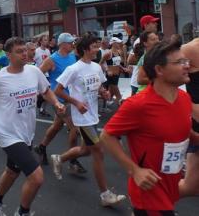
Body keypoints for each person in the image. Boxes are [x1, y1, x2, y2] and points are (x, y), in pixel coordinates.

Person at [101, 41, 197, 215]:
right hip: (149, 194)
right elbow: (107, 136)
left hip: (171, 185)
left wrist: (195, 138)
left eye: (186, 61)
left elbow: (178, 128)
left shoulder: (183, 98)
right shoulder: (138, 105)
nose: (187, 66)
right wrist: (134, 170)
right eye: (179, 62)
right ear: (159, 70)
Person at [0, 37, 65, 216]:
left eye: (25, 50)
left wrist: (56, 103)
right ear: (8, 55)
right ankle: (23, 212)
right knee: (37, 177)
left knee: (12, 171)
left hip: (26, 132)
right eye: (19, 51)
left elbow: (46, 90)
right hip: (8, 135)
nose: (25, 54)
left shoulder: (33, 71)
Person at [50, 33, 126, 206]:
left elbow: (99, 85)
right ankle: (105, 195)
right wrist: (76, 103)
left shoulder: (96, 67)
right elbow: (58, 91)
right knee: (98, 151)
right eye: (94, 46)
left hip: (93, 114)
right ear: (85, 49)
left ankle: (59, 159)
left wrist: (104, 92)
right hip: (82, 117)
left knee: (85, 150)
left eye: (97, 45)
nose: (97, 49)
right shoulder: (74, 69)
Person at [35, 33, 86, 173]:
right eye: (70, 43)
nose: (72, 45)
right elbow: (37, 75)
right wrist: (45, 92)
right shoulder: (52, 60)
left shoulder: (72, 57)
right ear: (62, 44)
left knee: (57, 126)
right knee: (74, 128)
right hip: (59, 99)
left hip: (72, 98)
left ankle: (41, 147)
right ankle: (72, 160)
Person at [180, 37, 199, 197]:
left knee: (191, 186)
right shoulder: (189, 49)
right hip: (197, 124)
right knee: (190, 186)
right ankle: (146, 204)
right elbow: (165, 78)